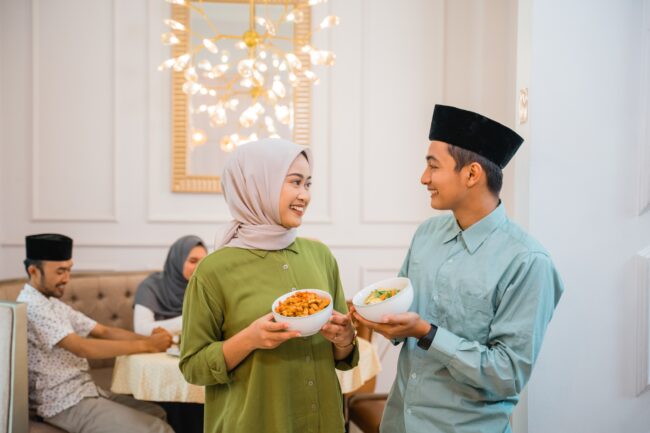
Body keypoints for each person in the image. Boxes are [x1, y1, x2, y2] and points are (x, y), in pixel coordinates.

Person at [352, 105, 565, 433]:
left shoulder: (527, 262)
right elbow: (402, 314)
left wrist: (427, 333)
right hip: (399, 423)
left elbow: (507, 375)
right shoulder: (427, 234)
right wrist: (361, 323)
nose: (424, 178)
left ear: (471, 174)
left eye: (432, 166)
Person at [179, 138, 359, 433]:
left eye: (308, 184)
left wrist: (344, 338)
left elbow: (342, 356)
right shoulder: (213, 271)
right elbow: (193, 367)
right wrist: (250, 339)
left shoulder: (320, 256)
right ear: (257, 185)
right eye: (295, 182)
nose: (304, 195)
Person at [16, 233, 174, 433]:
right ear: (34, 271)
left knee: (155, 412)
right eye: (60, 271)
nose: (67, 278)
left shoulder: (52, 303)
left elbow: (102, 330)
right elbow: (82, 347)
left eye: (69, 270)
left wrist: (151, 339)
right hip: (62, 403)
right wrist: (148, 345)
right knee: (158, 429)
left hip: (85, 391)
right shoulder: (33, 306)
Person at [133, 235, 207, 336]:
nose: (200, 267)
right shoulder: (151, 287)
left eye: (204, 261)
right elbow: (142, 329)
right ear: (177, 261)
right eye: (193, 261)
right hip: (157, 349)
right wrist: (190, 320)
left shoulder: (206, 287)